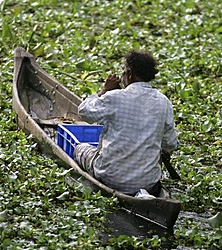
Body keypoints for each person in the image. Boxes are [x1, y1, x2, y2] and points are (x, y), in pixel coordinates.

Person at [74, 50, 178, 197]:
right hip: (148, 182)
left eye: (123, 72)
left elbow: (84, 112)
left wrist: (104, 90)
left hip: (110, 177)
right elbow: (170, 144)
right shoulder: (163, 102)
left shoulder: (114, 97)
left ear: (129, 74)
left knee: (80, 148)